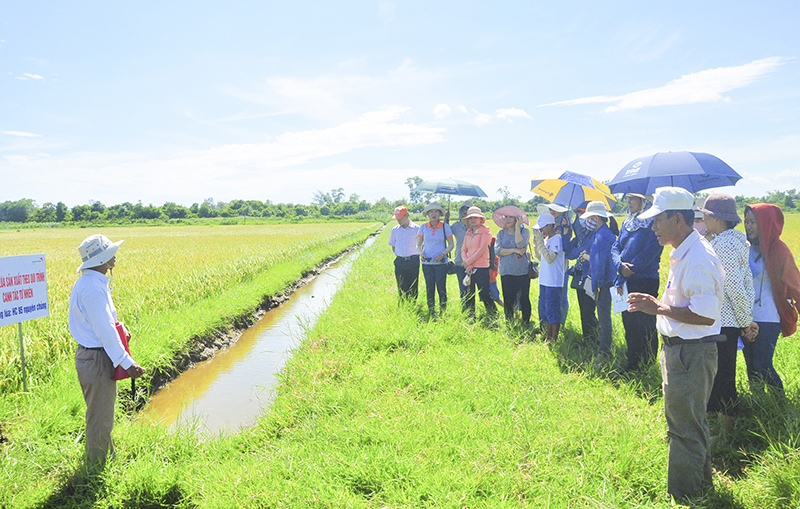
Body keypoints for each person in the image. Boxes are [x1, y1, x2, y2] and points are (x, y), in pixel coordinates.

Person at [627, 187, 724, 501]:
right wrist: (661, 306)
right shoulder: (683, 250)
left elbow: (705, 315)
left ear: (678, 219)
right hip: (681, 351)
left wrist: (658, 308)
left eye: (658, 220)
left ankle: (685, 497)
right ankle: (701, 488)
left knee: (684, 429)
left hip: (691, 354)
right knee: (688, 425)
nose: (653, 227)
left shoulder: (697, 258)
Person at [69, 234, 146, 468]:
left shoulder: (92, 282)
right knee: (100, 419)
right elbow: (103, 331)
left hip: (94, 356)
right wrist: (127, 362)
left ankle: (106, 461)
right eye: (110, 253)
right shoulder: (92, 288)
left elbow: (103, 323)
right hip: (97, 358)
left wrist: (121, 333)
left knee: (101, 415)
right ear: (102, 259)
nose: (114, 257)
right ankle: (95, 471)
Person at [699, 194, 757, 437]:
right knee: (717, 374)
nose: (702, 219)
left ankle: (726, 436)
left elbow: (733, 286)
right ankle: (715, 429)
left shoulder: (724, 246)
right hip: (724, 322)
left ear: (717, 219)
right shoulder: (730, 241)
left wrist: (745, 322)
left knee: (722, 377)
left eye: (706, 215)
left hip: (725, 323)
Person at [742, 203, 800, 394]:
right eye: (747, 221)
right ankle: (758, 405)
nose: (748, 226)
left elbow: (796, 286)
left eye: (754, 222)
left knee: (762, 364)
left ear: (766, 224)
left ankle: (780, 404)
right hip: (746, 317)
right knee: (751, 367)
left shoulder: (780, 251)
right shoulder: (745, 247)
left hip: (768, 317)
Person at [611, 193, 663, 371]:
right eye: (628, 199)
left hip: (645, 280)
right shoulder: (627, 222)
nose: (629, 202)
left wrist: (632, 268)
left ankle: (648, 365)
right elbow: (615, 246)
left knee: (646, 324)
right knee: (630, 323)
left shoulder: (653, 223)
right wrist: (619, 266)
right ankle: (632, 363)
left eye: (633, 198)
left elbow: (652, 250)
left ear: (644, 201)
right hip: (626, 279)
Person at [577, 201, 617, 370]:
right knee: (603, 316)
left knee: (604, 317)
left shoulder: (602, 236)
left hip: (603, 283)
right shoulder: (604, 233)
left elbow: (599, 263)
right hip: (605, 281)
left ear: (595, 218)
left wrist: (597, 285)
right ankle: (605, 348)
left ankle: (604, 351)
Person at [532, 213, 565, 343]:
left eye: (543, 227)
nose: (541, 231)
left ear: (550, 225)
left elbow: (550, 258)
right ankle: (547, 336)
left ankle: (553, 338)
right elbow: (542, 258)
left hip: (553, 281)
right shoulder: (547, 239)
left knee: (553, 309)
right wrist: (537, 244)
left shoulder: (557, 239)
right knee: (545, 309)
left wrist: (541, 243)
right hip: (544, 280)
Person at [417, 202, 454, 316]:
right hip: (427, 263)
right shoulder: (423, 227)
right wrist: (421, 253)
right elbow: (418, 245)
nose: (433, 214)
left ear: (440, 214)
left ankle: (443, 310)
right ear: (428, 214)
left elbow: (451, 245)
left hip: (441, 263)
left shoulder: (444, 227)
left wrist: (442, 254)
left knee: (441, 287)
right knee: (429, 287)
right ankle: (431, 310)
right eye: (431, 212)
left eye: (436, 212)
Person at [495, 209, 531, 324]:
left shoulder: (525, 232)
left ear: (517, 219)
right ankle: (509, 321)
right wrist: (515, 250)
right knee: (508, 299)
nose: (508, 219)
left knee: (524, 298)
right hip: (506, 271)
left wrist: (517, 228)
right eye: (506, 217)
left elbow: (521, 244)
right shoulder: (501, 233)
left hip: (522, 271)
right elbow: (498, 251)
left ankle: (526, 322)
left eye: (511, 217)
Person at [461, 206, 497, 318]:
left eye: (475, 217)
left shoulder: (485, 231)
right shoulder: (468, 232)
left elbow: (481, 249)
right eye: (470, 218)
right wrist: (468, 264)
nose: (473, 220)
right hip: (469, 268)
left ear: (481, 219)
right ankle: (470, 316)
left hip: (481, 267)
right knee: (469, 294)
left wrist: (468, 262)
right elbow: (464, 249)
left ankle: (492, 314)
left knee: (484, 293)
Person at [388, 206, 420, 301]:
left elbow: (422, 245)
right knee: (401, 284)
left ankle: (413, 303)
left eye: (400, 218)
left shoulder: (416, 229)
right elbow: (393, 246)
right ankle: (403, 302)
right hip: (400, 261)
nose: (398, 220)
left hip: (413, 260)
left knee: (413, 284)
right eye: (397, 218)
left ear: (407, 216)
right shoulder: (395, 230)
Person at [449, 201, 474, 311]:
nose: (465, 211)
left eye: (467, 209)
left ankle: (472, 311)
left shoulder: (476, 225)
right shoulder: (456, 226)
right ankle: (465, 310)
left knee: (472, 288)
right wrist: (446, 219)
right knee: (463, 288)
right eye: (462, 209)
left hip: (474, 262)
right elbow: (445, 234)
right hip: (460, 261)